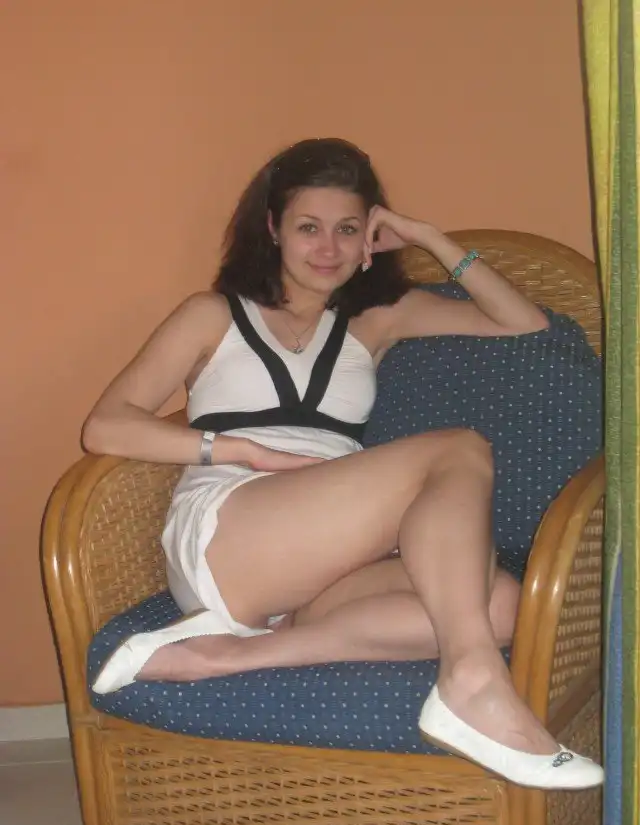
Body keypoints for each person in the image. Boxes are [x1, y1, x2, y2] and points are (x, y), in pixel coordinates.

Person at [84, 138, 603, 790]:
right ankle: (472, 684)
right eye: (309, 227)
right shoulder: (212, 315)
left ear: (368, 238)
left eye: (348, 229)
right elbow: (106, 425)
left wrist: (429, 239)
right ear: (273, 228)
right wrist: (239, 449)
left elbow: (525, 326)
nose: (328, 248)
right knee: (458, 449)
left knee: (502, 606)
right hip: (233, 532)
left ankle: (229, 655)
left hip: (328, 560)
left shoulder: (378, 319)